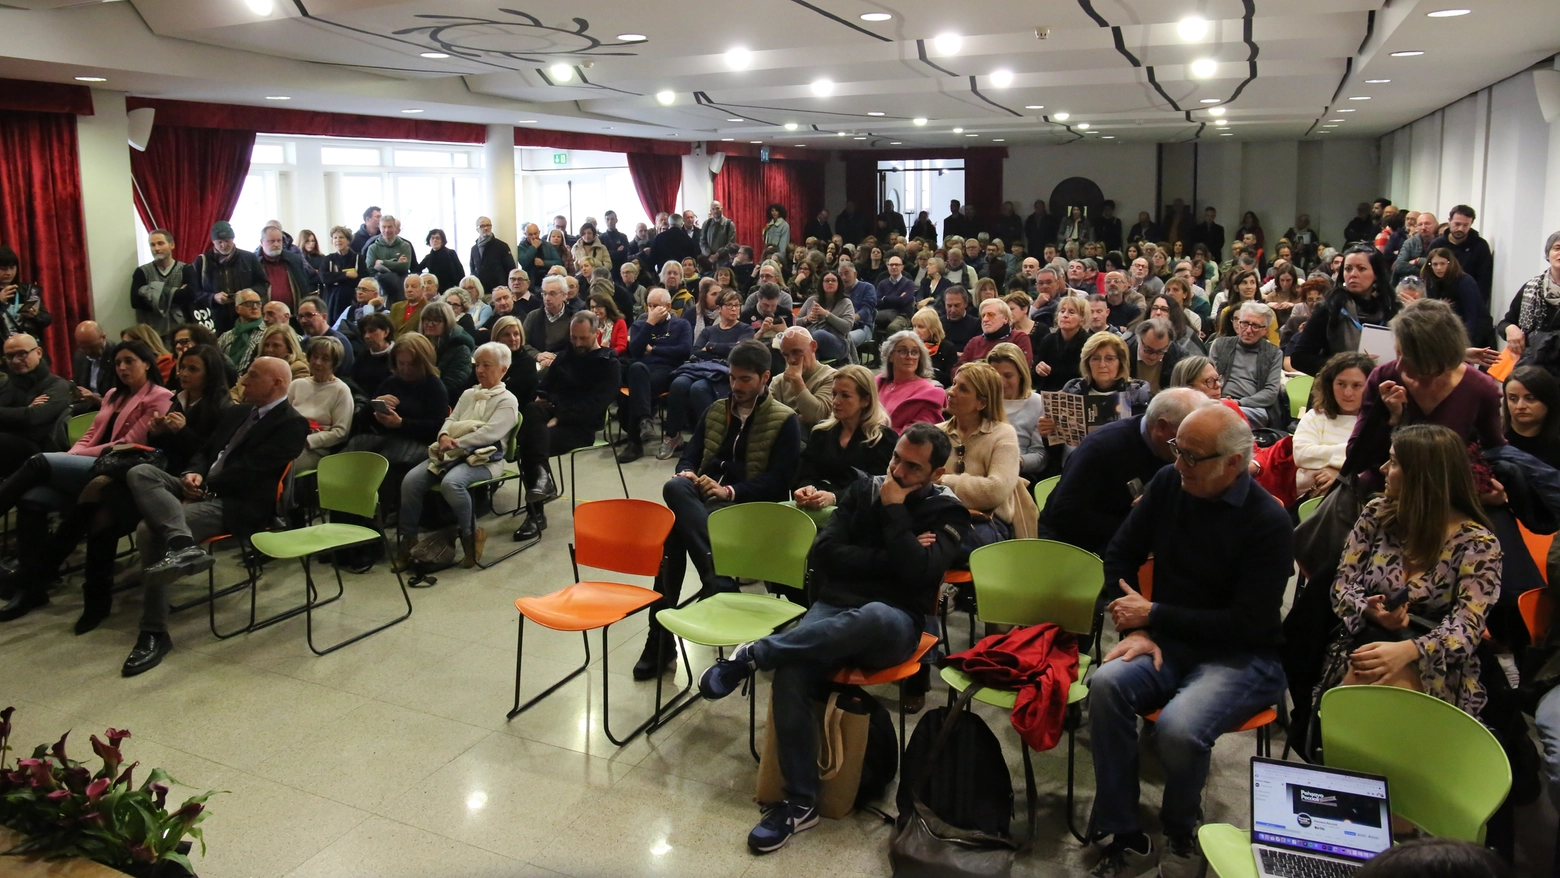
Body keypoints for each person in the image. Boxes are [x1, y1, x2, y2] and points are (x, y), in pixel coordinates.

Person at [699, 422, 966, 853]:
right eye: (896, 457)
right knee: (792, 671)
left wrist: (895, 513)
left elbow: (921, 575)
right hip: (837, 605)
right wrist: (898, 553)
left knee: (875, 614)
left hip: (894, 622)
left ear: (936, 475)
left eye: (912, 468)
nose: (896, 471)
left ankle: (756, 653)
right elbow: (823, 553)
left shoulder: (948, 512)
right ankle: (800, 803)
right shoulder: (863, 490)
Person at [1086, 404, 1290, 878]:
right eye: (1177, 449)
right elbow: (1119, 554)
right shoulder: (1169, 485)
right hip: (1168, 642)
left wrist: (1154, 614)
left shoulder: (1268, 522)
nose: (1178, 464)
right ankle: (1124, 831)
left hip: (1243, 657)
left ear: (1233, 463)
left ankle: (1182, 828)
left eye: (1192, 457)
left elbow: (1248, 622)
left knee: (1178, 727)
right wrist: (1138, 630)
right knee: (1106, 685)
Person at [119, 358, 310, 675]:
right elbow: (206, 451)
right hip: (199, 486)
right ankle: (182, 544)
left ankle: (153, 632)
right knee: (140, 471)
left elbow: (253, 472)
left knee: (149, 530)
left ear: (277, 382)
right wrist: (194, 473)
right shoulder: (237, 412)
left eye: (253, 375)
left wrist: (206, 484)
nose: (244, 380)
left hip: (235, 502)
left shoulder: (291, 424)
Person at [634, 340, 803, 679]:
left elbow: (779, 481)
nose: (736, 387)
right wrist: (687, 471)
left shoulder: (785, 420)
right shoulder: (715, 411)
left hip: (748, 509)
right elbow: (690, 454)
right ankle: (717, 576)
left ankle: (659, 639)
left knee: (673, 534)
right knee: (675, 485)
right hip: (705, 504)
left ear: (764, 378)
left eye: (745, 380)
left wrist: (728, 490)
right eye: (732, 379)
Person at [1314, 423, 1500, 720]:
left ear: (1423, 476)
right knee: (1368, 672)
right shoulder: (1376, 514)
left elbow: (1467, 628)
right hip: (1366, 637)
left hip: (1437, 657)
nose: (1384, 468)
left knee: (1387, 685)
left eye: (1395, 462)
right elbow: (1342, 586)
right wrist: (1369, 610)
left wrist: (1410, 650)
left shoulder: (1477, 544)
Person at [391, 342, 519, 570]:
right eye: (477, 365)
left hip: (486, 458)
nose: (480, 370)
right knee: (410, 481)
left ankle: (471, 537)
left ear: (503, 369)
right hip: (452, 452)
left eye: (487, 365)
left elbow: (490, 434)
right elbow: (451, 419)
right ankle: (408, 540)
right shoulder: (469, 394)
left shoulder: (507, 400)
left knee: (452, 483)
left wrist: (456, 441)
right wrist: (443, 437)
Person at [1038, 388, 1208, 557]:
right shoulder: (1102, 447)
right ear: (1161, 428)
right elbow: (1065, 515)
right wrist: (1139, 522)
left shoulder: (1168, 447)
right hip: (1072, 549)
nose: (1186, 454)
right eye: (1184, 437)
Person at [517, 313, 621, 539]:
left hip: (580, 428)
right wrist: (541, 397)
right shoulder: (565, 357)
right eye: (573, 338)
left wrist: (561, 417)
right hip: (552, 417)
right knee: (532, 411)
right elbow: (544, 387)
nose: (577, 343)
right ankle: (543, 481)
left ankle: (536, 514)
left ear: (596, 334)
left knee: (529, 442)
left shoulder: (608, 364)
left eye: (582, 338)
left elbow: (595, 405)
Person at [938, 361, 1038, 550]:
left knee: (939, 542)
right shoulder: (936, 433)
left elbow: (994, 490)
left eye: (963, 389)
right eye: (954, 384)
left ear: (982, 403)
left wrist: (943, 482)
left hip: (987, 522)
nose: (951, 392)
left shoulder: (1003, 434)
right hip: (942, 516)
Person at [1290, 244, 1399, 375]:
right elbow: (1299, 358)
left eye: (1361, 269)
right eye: (1348, 269)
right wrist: (1345, 366)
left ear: (1376, 274)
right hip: (1335, 387)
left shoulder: (1392, 309)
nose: (1353, 275)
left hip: (1380, 386)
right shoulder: (1329, 308)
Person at [617, 288, 694, 463]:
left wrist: (655, 350)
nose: (651, 309)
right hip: (641, 370)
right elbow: (635, 350)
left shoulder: (681, 325)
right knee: (636, 368)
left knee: (636, 389)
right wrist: (649, 323)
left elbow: (684, 351)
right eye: (649, 306)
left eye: (656, 306)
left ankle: (635, 443)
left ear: (668, 306)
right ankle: (645, 419)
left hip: (667, 371)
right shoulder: (640, 325)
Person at [1293, 352, 1372, 497]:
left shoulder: (1375, 423)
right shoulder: (1315, 417)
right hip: (1310, 497)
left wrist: (1339, 474)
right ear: (1330, 384)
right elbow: (1302, 455)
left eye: (1356, 385)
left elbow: (1374, 465)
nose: (1347, 393)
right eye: (1341, 384)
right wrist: (1355, 453)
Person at [1047, 332, 1153, 432]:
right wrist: (1048, 433)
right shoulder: (1072, 392)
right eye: (1095, 358)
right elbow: (1058, 449)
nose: (1102, 365)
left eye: (1109, 358)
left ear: (1120, 363)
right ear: (1087, 363)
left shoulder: (1138, 395)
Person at [0, 333, 72, 478]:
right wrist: (25, 411)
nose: (15, 361)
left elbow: (32, 418)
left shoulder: (57, 385)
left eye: (21, 354)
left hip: (39, 449)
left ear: (38, 352)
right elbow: (26, 416)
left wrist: (23, 414)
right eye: (9, 356)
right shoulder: (8, 383)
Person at [1209, 302, 1286, 426]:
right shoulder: (1220, 345)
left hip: (1254, 408)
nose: (1248, 330)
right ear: (1238, 324)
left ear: (1265, 330)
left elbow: (1271, 392)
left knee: (1225, 415)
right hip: (1218, 401)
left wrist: (1238, 403)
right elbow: (1209, 380)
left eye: (1255, 326)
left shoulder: (1274, 353)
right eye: (1245, 323)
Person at [286, 336, 353, 472]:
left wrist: (308, 440)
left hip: (315, 450)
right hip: (290, 440)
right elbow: (283, 416)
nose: (317, 362)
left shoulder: (341, 390)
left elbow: (341, 432)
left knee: (282, 465)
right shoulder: (297, 384)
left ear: (335, 363)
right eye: (314, 357)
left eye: (325, 359)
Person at [986, 342, 1047, 483]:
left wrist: (1014, 462)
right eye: (995, 375)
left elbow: (1040, 455)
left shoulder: (1038, 403)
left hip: (1018, 474)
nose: (1001, 382)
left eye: (1008, 376)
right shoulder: (982, 400)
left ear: (1021, 374)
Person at [1496, 230, 1560, 361]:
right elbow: (1505, 322)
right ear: (1548, 254)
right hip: (1531, 366)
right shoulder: (1532, 288)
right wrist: (1510, 329)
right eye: (1557, 248)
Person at [193, 221, 268, 333]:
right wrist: (213, 298)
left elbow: (263, 284)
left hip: (247, 317)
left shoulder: (249, 258)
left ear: (233, 239)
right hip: (215, 320)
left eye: (227, 241)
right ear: (213, 242)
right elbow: (194, 292)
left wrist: (246, 294)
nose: (224, 245)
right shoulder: (202, 262)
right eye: (219, 242)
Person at [768, 327, 837, 432]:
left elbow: (817, 417)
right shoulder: (778, 381)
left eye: (796, 352)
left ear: (813, 346)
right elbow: (768, 417)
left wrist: (797, 382)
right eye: (785, 355)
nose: (791, 360)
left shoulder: (831, 377)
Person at [876, 331, 947, 432]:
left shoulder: (928, 393)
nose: (909, 356)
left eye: (914, 352)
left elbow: (918, 435)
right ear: (890, 356)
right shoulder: (878, 383)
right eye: (903, 351)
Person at [1404, 247, 1483, 336]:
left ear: (1450, 263)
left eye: (1443, 264)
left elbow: (1472, 317)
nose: (1439, 268)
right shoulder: (1431, 281)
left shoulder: (1464, 281)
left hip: (1472, 331)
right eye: (1435, 264)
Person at [129, 229, 194, 337]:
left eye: (160, 243)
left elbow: (190, 296)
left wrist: (152, 293)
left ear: (171, 245)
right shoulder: (142, 272)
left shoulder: (186, 269)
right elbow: (135, 302)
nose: (157, 248)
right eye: (152, 245)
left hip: (180, 330)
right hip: (151, 333)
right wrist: (176, 292)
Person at [1428, 204, 1493, 301]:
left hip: (1469, 299)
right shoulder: (1437, 244)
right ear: (1449, 221)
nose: (1461, 229)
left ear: (1471, 223)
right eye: (1457, 224)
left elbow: (1484, 280)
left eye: (1465, 225)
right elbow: (1429, 276)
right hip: (1441, 300)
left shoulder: (1480, 246)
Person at [1503, 365, 1560, 468]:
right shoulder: (1492, 438)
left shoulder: (1556, 444)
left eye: (1530, 398)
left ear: (1548, 400)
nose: (1520, 406)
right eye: (1513, 398)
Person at [418, 300, 476, 401]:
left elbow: (452, 385)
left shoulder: (461, 348)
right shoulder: (419, 344)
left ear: (447, 322)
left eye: (436, 320)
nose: (430, 324)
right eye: (426, 319)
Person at [957, 297, 1034, 368]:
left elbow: (1021, 368)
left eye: (991, 315)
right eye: (983, 315)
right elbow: (958, 368)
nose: (985, 319)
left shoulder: (1019, 338)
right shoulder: (974, 342)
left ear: (1005, 318)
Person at [1033, 295, 1089, 392]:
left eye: (1071, 312)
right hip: (1048, 395)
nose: (1065, 315)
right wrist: (1038, 370)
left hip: (1076, 396)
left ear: (1082, 319)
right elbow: (1034, 379)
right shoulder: (1048, 340)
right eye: (1062, 311)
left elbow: (1088, 379)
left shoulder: (1088, 342)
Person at [257, 225, 320, 310]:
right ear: (262, 242)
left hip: (293, 315)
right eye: (271, 241)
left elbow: (303, 287)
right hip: (266, 315)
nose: (276, 244)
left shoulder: (294, 260)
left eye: (279, 241)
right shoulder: (255, 262)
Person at [796, 270, 856, 356]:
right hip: (812, 342)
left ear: (839, 284)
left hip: (837, 344)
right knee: (814, 352)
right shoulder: (812, 300)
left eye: (833, 280)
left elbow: (847, 327)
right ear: (822, 284)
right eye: (827, 281)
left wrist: (826, 314)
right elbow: (795, 322)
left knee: (820, 334)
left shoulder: (846, 302)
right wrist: (807, 319)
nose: (830, 283)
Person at [295, 295, 355, 377]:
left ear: (324, 317)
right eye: (300, 316)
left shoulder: (339, 343)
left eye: (309, 315)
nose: (303, 320)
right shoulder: (303, 344)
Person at [216, 290, 266, 378]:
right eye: (249, 303)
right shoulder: (226, 336)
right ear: (237, 308)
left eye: (258, 303)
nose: (255, 307)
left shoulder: (268, 335)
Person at [319, 225, 361, 322]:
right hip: (331, 298)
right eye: (335, 238)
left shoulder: (358, 258)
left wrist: (335, 277)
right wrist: (345, 275)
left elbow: (360, 278)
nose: (338, 240)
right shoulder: (328, 259)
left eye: (341, 237)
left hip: (351, 297)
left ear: (348, 240)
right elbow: (324, 278)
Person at [469, 216, 517, 297]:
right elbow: (473, 269)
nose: (486, 228)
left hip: (499, 291)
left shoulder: (501, 246)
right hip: (480, 292)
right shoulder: (474, 249)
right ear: (477, 229)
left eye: (488, 225)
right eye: (482, 226)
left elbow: (511, 268)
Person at [416, 228, 464, 294]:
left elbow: (460, 272)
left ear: (442, 241)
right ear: (429, 241)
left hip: (450, 290)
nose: (435, 240)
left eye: (437, 238)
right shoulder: (428, 257)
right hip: (434, 291)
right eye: (432, 238)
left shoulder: (450, 253)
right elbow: (417, 270)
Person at [389, 273, 430, 338]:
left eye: (413, 286)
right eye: (406, 286)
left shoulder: (429, 308)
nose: (409, 290)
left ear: (422, 289)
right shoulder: (395, 307)